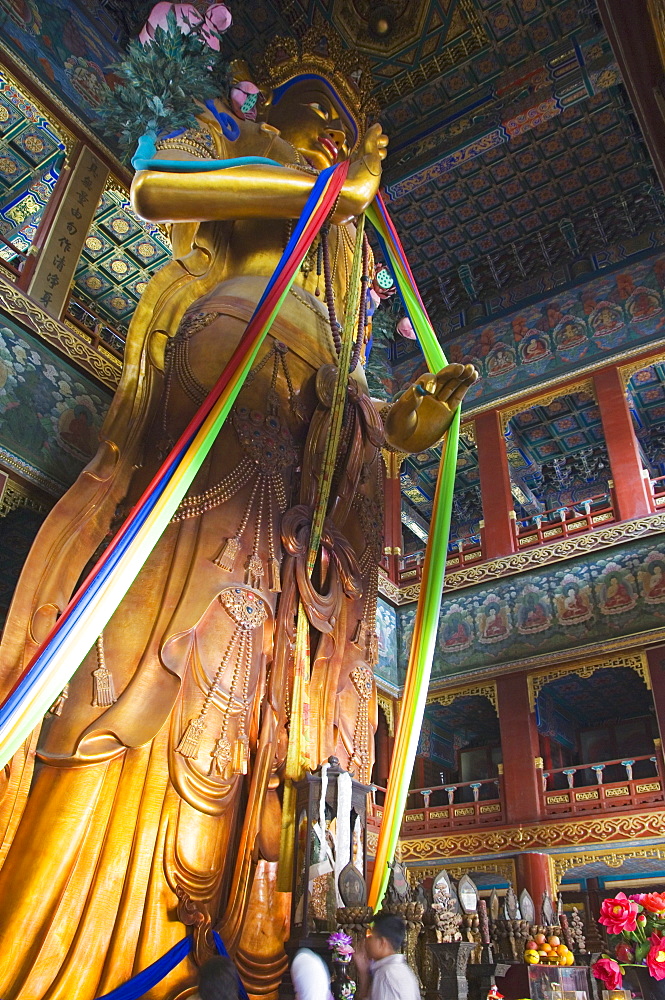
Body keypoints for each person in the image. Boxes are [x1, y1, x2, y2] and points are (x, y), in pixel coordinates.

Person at [0, 26, 477, 1000]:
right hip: (210, 469)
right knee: (142, 679)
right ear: (267, 113)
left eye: (342, 136)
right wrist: (323, 193)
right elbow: (153, 187)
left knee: (264, 733)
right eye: (316, 116)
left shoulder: (326, 294)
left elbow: (352, 412)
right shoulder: (228, 169)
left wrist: (405, 421)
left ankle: (230, 935)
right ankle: (70, 950)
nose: (329, 140)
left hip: (288, 537)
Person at [355, 912, 420, 1000]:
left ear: (382, 943)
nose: (366, 941)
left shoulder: (386, 974)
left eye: (370, 936)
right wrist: (364, 974)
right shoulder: (398, 969)